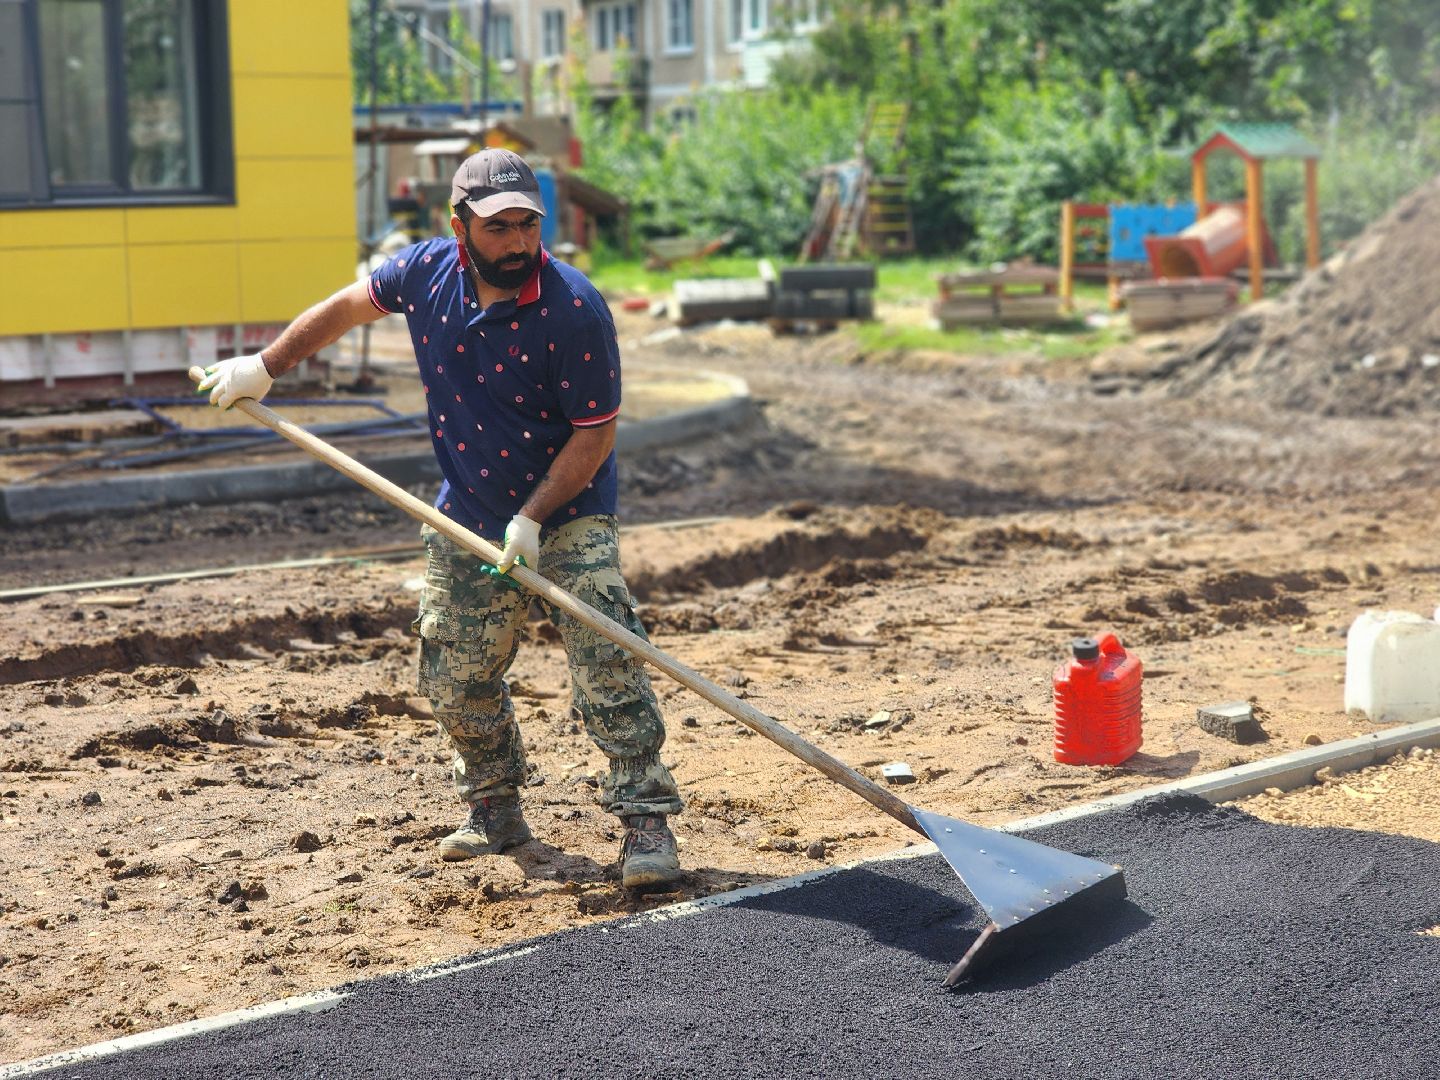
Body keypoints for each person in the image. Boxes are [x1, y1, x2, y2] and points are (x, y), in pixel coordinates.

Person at [197, 148, 684, 890]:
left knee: (605, 648)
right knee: (453, 669)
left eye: (527, 225)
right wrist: (266, 367)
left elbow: (595, 434)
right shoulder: (424, 273)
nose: (517, 242)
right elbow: (344, 306)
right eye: (498, 228)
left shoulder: (574, 308)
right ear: (458, 225)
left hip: (568, 507)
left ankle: (646, 819)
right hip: (468, 510)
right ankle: (494, 807)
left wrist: (531, 521)